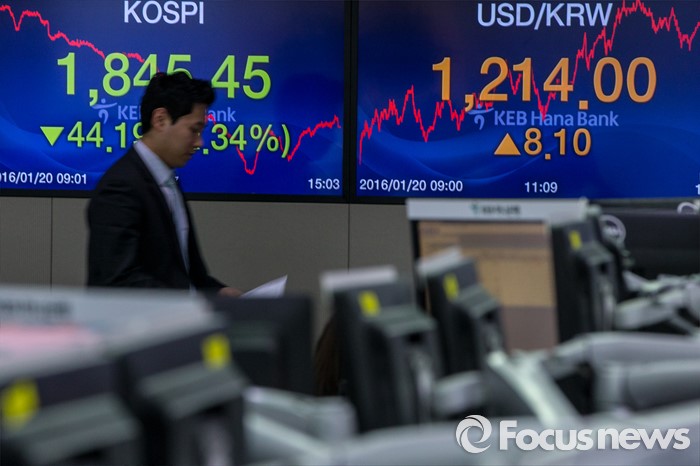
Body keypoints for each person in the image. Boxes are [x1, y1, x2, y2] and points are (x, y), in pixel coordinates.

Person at [87, 72, 240, 296]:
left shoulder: (168, 181)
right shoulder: (120, 187)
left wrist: (219, 293)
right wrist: (197, 301)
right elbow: (119, 280)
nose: (199, 142)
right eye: (194, 130)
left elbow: (187, 276)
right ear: (160, 120)